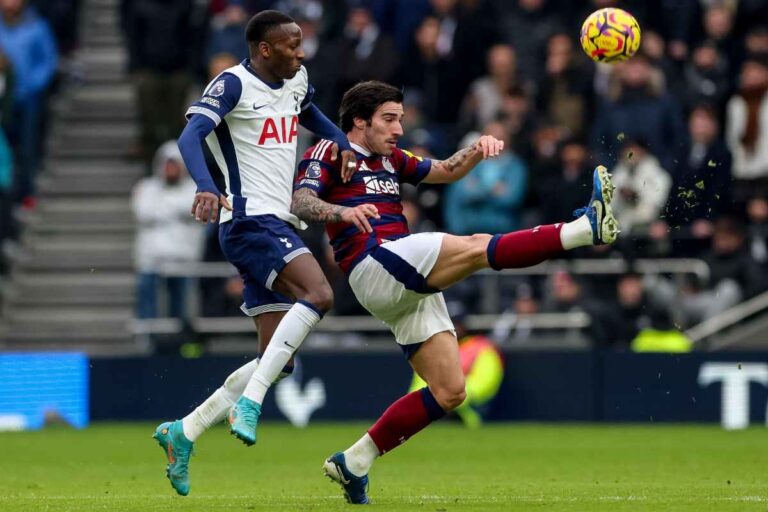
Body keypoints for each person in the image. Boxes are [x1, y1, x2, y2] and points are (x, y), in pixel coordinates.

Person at [291, 81, 619, 504]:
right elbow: (300, 201)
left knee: (450, 391)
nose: (398, 129)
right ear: (359, 120)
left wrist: (477, 150)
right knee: (476, 246)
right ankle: (582, 230)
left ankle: (354, 461)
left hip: (401, 277)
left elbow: (444, 170)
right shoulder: (329, 152)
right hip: (375, 263)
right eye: (389, 119)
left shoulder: (392, 158)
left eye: (401, 119)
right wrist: (343, 211)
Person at [153, 10, 358, 497]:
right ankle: (252, 402)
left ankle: (184, 431)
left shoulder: (296, 79)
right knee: (320, 294)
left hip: (277, 222)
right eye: (291, 46)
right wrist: (205, 186)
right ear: (264, 49)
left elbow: (307, 111)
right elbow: (189, 136)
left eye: (301, 44)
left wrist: (341, 140)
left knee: (277, 357)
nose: (301, 53)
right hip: (247, 220)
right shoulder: (231, 84)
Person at [131, 141, 203, 320]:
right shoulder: (146, 187)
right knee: (147, 305)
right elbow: (143, 212)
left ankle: (178, 343)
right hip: (150, 259)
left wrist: (162, 210)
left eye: (174, 164)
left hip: (182, 259)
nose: (170, 168)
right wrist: (177, 211)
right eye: (167, 163)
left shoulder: (195, 189)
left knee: (180, 307)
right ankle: (148, 343)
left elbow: (195, 211)